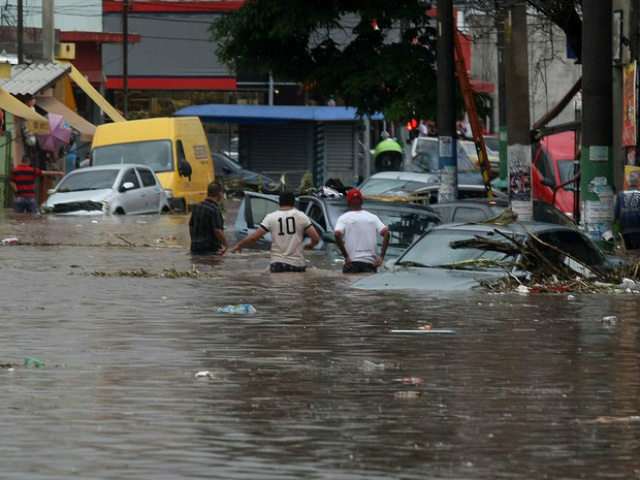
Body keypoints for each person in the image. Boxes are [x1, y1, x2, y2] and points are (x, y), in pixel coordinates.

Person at [231, 190, 320, 272]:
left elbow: (254, 237)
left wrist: (240, 245)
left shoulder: (271, 217)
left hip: (278, 264)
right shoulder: (301, 216)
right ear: (293, 203)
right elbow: (315, 238)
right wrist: (311, 244)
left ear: (279, 202)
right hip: (297, 264)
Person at [334, 189, 390, 273]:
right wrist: (381, 257)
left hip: (352, 264)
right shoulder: (373, 217)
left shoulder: (343, 218)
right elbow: (386, 233)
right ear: (362, 202)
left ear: (348, 203)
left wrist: (346, 257)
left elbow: (337, 234)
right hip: (371, 264)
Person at [189, 181, 228, 256]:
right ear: (219, 193)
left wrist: (193, 242)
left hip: (195, 249)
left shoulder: (197, 206)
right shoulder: (215, 210)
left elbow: (191, 226)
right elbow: (217, 230)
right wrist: (226, 245)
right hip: (210, 250)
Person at [614, 172, 640, 250]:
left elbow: (616, 214)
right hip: (638, 228)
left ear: (627, 182)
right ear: (638, 182)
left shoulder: (620, 195)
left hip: (625, 229)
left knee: (629, 251)